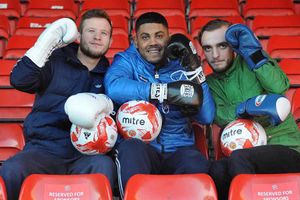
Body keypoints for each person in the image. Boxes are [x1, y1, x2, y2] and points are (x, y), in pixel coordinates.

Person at [0, 9, 116, 200]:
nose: (97, 37)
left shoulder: (111, 75)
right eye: (91, 31)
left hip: (86, 154)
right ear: (78, 34)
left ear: (110, 41)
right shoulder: (55, 60)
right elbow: (19, 80)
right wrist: (47, 43)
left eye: (104, 33)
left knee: (105, 167)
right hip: (44, 148)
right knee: (13, 169)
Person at [104, 12, 215, 198]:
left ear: (168, 38)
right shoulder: (127, 60)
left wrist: (195, 71)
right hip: (143, 149)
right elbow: (113, 87)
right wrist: (163, 92)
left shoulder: (181, 63)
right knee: (130, 149)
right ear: (135, 41)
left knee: (196, 162)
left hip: (180, 148)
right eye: (145, 37)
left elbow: (207, 117)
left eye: (159, 36)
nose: (153, 43)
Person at [198, 19, 300, 199]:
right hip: (245, 152)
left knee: (239, 158)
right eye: (208, 48)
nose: (215, 54)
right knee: (216, 170)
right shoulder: (210, 83)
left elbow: (279, 88)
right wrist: (245, 108)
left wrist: (254, 54)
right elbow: (217, 115)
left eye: (222, 46)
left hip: (286, 148)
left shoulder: (253, 61)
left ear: (233, 45)